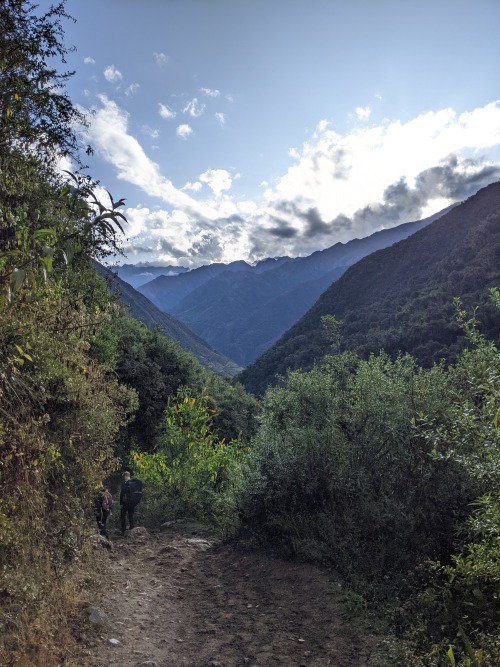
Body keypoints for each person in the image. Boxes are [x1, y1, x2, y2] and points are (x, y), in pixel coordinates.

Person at [120, 470, 143, 534]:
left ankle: (123, 530)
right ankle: (132, 526)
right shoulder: (134, 483)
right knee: (131, 514)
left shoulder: (126, 483)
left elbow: (122, 494)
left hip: (126, 502)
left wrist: (121, 503)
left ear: (125, 476)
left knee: (123, 515)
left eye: (124, 476)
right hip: (133, 502)